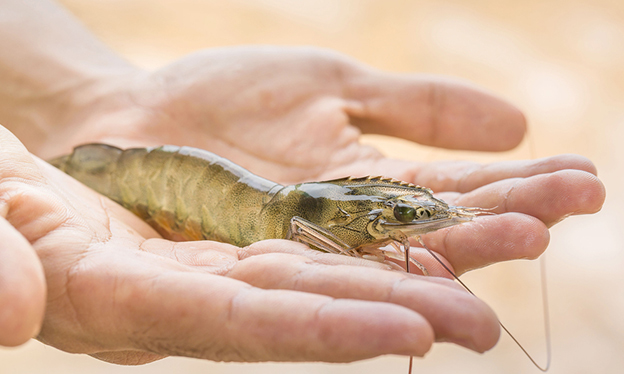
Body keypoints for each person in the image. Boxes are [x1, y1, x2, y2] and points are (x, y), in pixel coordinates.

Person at [0, 0, 605, 366]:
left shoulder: (336, 203)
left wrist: (77, 92)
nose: (404, 221)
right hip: (161, 177)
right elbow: (295, 223)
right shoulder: (300, 212)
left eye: (403, 213)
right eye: (399, 215)